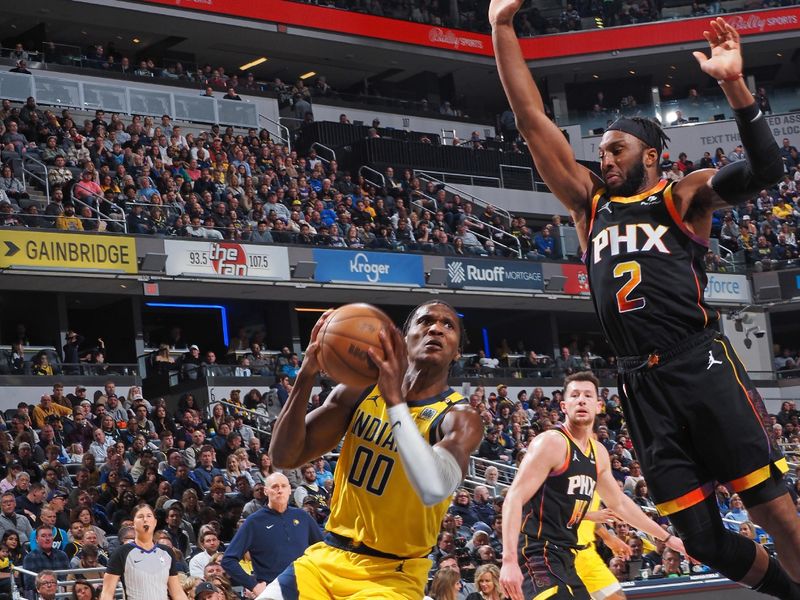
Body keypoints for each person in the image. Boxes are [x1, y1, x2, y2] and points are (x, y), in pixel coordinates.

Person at [492, 6, 799, 597]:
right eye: (601, 151)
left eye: (615, 150)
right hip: (640, 384)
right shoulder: (589, 205)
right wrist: (502, 28)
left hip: (699, 363)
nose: (603, 159)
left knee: (775, 513)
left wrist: (735, 85)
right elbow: (532, 121)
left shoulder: (682, 196)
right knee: (702, 539)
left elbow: (768, 169)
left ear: (651, 155)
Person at [259, 300, 483, 599]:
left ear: (456, 351)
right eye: (425, 321)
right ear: (404, 340)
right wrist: (306, 374)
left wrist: (395, 403)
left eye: (448, 325)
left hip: (392, 575)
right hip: (329, 558)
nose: (435, 329)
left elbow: (433, 487)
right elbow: (283, 456)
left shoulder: (460, 417)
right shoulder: (361, 389)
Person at [498, 372, 684, 600]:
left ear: (599, 406)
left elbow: (620, 503)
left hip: (567, 555)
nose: (581, 400)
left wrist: (666, 538)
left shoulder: (599, 453)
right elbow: (513, 498)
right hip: (536, 552)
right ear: (564, 406)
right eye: (575, 395)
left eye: (588, 395)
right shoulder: (551, 442)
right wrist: (508, 560)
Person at [221, 473, 321, 595]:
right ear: (266, 491)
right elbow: (228, 560)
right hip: (274, 592)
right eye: (275, 486)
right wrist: (254, 585)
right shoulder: (254, 522)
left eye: (284, 486)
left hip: (306, 589)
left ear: (290, 490)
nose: (280, 490)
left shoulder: (303, 516)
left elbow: (322, 550)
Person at [100, 504, 188, 600]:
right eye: (140, 516)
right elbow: (107, 593)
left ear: (155, 522)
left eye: (149, 516)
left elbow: (177, 592)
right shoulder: (121, 553)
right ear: (133, 523)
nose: (145, 520)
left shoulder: (166, 552)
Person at [23, 526, 70, 592]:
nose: (47, 538)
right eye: (43, 536)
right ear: (36, 539)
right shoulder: (30, 558)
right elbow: (30, 584)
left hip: (62, 593)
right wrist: (52, 588)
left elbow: (68, 578)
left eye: (50, 535)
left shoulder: (62, 555)